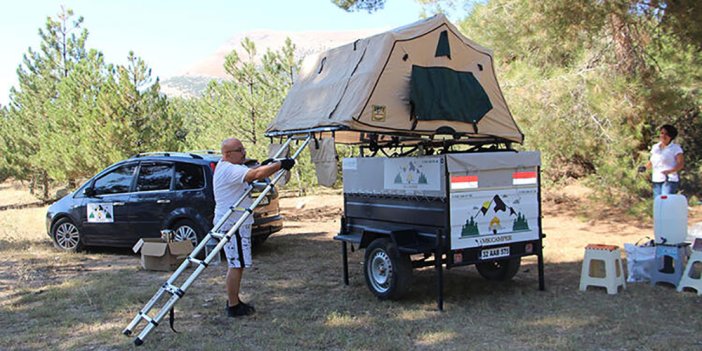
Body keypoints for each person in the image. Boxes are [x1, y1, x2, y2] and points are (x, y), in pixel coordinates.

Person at [213, 138, 295, 317]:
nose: (244, 152)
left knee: (238, 264)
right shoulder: (228, 169)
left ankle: (234, 301)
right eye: (239, 150)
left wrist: (267, 165)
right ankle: (233, 306)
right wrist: (280, 164)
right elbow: (254, 176)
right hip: (231, 223)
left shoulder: (232, 167)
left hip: (235, 221)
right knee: (236, 264)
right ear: (228, 154)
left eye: (243, 149)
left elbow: (251, 171)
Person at [645, 124, 684, 198]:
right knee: (658, 202)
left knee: (665, 201)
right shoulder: (655, 147)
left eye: (666, 134)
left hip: (669, 179)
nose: (663, 136)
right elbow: (652, 162)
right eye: (662, 133)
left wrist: (670, 171)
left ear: (671, 136)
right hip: (656, 179)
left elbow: (680, 164)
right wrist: (645, 167)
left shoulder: (676, 148)